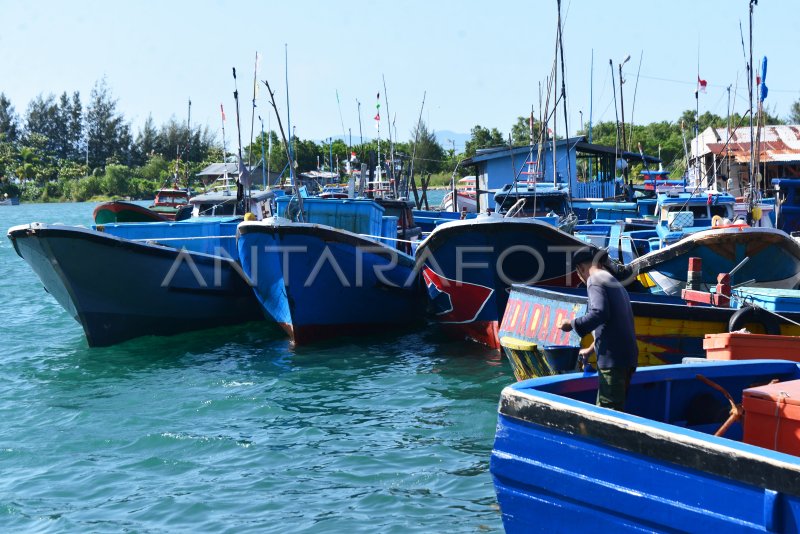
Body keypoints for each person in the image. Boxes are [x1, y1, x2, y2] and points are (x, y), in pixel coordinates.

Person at [558, 246, 638, 411]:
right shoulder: (614, 282)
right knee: (617, 408)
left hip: (613, 362)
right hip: (627, 358)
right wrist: (590, 350)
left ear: (580, 268)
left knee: (608, 414)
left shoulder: (594, 280)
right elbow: (613, 322)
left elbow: (599, 313)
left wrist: (571, 324)